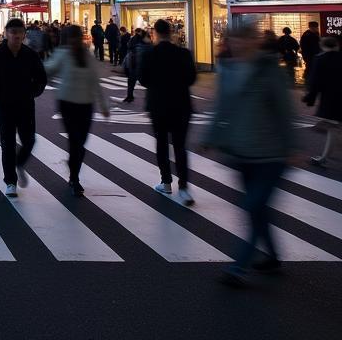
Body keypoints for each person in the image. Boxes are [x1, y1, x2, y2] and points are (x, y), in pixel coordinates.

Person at [205, 21, 298, 286]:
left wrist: (292, 146)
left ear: (254, 41)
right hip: (241, 151)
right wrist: (210, 138)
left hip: (272, 153)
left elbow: (284, 112)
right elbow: (222, 107)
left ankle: (238, 266)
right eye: (232, 40)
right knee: (258, 210)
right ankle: (273, 257)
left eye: (241, 40)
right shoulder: (229, 70)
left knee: (253, 205)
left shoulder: (270, 71)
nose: (236, 45)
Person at [0, 18, 47, 197]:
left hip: (25, 104)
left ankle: (19, 162)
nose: (16, 35)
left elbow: (41, 78)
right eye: (12, 32)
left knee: (29, 140)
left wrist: (33, 92)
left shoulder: (30, 54)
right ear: (6, 33)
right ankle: (10, 181)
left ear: (24, 34)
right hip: (4, 106)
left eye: (19, 32)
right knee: (7, 144)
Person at [139, 18, 197, 205]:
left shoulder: (149, 54)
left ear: (154, 33)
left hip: (158, 105)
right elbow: (191, 78)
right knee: (180, 146)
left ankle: (166, 182)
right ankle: (184, 188)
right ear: (171, 32)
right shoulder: (184, 54)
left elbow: (143, 79)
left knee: (162, 143)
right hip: (181, 104)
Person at [50, 24, 109, 195]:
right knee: (75, 141)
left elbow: (95, 81)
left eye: (77, 37)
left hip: (86, 104)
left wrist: (103, 105)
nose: (75, 40)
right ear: (67, 39)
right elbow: (48, 69)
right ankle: (75, 178)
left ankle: (73, 169)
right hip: (67, 104)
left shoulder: (87, 55)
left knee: (80, 143)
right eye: (72, 37)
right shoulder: (62, 53)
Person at [305, 34, 341, 167]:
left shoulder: (320, 59)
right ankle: (323, 158)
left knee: (333, 128)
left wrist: (310, 98)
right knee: (334, 128)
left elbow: (315, 81)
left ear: (322, 46)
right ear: (336, 45)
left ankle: (323, 158)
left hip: (331, 99)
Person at [122, 28, 151, 102]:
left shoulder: (135, 40)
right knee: (147, 83)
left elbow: (128, 47)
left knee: (131, 81)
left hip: (133, 64)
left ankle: (130, 96)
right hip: (140, 66)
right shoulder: (146, 44)